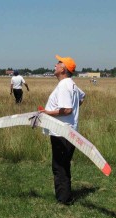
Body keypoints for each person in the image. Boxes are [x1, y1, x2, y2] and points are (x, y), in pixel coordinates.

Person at [40, 55, 85, 205]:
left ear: (63, 69)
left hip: (62, 133)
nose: (55, 65)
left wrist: (47, 113)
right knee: (63, 165)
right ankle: (66, 196)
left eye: (58, 63)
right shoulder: (71, 84)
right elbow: (82, 97)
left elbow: (66, 110)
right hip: (69, 131)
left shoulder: (65, 85)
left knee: (59, 167)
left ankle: (64, 200)